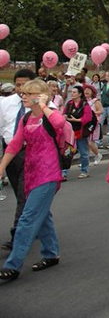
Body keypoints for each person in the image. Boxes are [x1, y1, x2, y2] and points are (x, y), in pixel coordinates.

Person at [0, 79, 65, 281]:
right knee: (42, 214)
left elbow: (60, 123)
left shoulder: (50, 114)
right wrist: (1, 167)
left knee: (27, 218)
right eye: (23, 93)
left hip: (49, 173)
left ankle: (13, 265)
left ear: (40, 95)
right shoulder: (26, 118)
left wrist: (44, 105)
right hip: (31, 172)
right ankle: (51, 253)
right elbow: (15, 144)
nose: (23, 96)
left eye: (29, 93)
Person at [0, 68, 36, 251]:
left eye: (25, 84)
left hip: (32, 154)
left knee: (24, 195)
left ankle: (18, 235)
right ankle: (37, 221)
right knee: (23, 196)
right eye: (18, 85)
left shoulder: (41, 104)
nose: (21, 89)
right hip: (11, 154)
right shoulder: (5, 103)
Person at [62, 85, 94, 180]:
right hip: (70, 132)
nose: (72, 94)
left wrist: (76, 120)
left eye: (74, 92)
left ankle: (84, 171)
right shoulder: (69, 103)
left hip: (81, 131)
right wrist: (64, 117)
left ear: (80, 94)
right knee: (68, 152)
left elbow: (88, 118)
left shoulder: (84, 104)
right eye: (71, 92)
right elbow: (64, 113)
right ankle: (64, 173)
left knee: (83, 152)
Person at [83, 85, 104, 164]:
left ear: (92, 92)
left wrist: (91, 113)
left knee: (90, 142)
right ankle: (86, 160)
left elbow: (101, 111)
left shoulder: (95, 101)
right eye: (85, 90)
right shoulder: (83, 101)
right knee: (85, 142)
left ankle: (98, 154)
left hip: (93, 123)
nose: (86, 91)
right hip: (85, 123)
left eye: (89, 90)